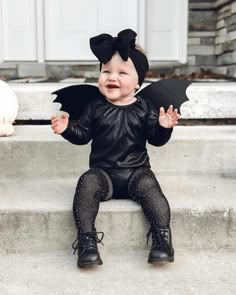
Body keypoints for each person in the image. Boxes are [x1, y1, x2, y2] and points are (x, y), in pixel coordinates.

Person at [51, 29, 180, 268]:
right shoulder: (94, 107)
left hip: (136, 173)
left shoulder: (144, 107)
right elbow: (82, 137)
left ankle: (162, 239)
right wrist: (67, 129)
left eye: (122, 72)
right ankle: (87, 241)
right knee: (86, 183)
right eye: (106, 71)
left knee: (152, 190)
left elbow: (155, 140)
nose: (112, 77)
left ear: (138, 82)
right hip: (104, 175)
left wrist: (164, 128)